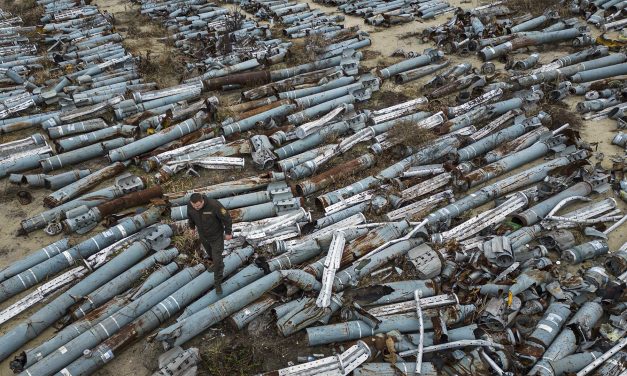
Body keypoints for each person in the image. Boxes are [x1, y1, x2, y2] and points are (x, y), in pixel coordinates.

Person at [187, 193, 232, 294]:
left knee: (216, 259)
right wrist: (192, 227)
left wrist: (228, 232)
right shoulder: (190, 206)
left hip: (216, 237)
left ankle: (218, 283)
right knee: (212, 255)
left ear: (202, 200)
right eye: (194, 206)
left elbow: (227, 218)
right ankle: (219, 264)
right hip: (204, 237)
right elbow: (190, 216)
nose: (196, 208)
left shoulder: (214, 205)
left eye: (198, 206)